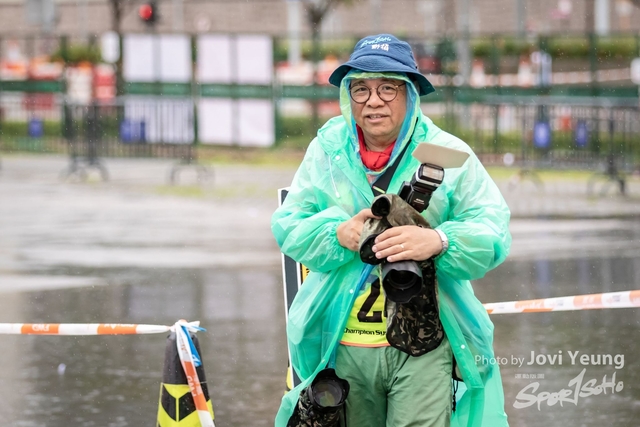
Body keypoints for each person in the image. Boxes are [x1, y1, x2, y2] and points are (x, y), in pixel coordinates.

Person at [272, 34, 511, 427]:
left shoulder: (445, 154)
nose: (373, 100)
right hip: (343, 345)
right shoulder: (328, 150)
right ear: (348, 96)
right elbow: (288, 224)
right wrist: (338, 234)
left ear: (411, 95)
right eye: (361, 89)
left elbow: (493, 229)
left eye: (387, 88)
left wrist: (437, 241)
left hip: (426, 342)